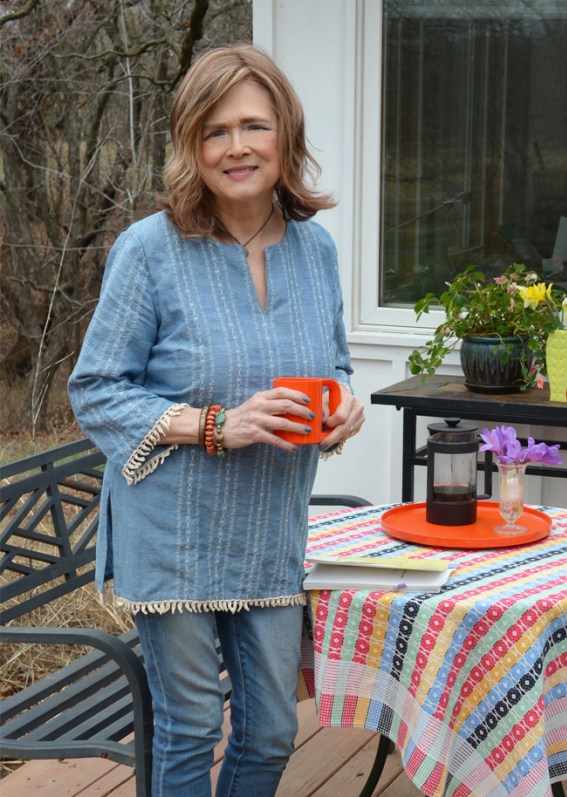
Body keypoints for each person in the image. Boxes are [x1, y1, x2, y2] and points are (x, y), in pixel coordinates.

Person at [67, 43, 365, 797]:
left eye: (254, 126)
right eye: (214, 130)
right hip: (175, 530)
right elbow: (96, 388)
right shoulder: (150, 250)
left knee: (269, 730)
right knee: (192, 724)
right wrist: (212, 426)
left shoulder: (315, 251)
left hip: (268, 526)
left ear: (286, 135)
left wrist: (344, 408)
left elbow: (335, 367)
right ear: (190, 147)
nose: (236, 147)